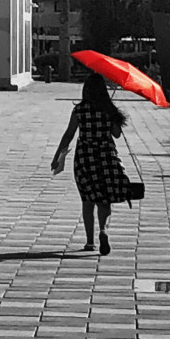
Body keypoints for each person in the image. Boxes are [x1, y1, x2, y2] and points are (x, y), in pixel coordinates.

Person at [51, 73, 132, 254]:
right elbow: (117, 134)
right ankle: (103, 230)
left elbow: (69, 134)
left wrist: (57, 156)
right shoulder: (108, 110)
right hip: (106, 157)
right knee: (104, 200)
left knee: (87, 200)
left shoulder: (79, 110)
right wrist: (114, 116)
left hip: (84, 158)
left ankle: (89, 242)